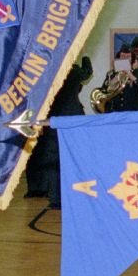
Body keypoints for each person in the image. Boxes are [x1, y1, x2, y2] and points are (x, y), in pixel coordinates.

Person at [24, 55, 94, 203]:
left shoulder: (48, 71)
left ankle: (54, 197)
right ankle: (75, 192)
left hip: (52, 119)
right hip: (72, 118)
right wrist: (86, 58)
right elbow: (88, 72)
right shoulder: (75, 71)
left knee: (51, 159)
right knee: (72, 157)